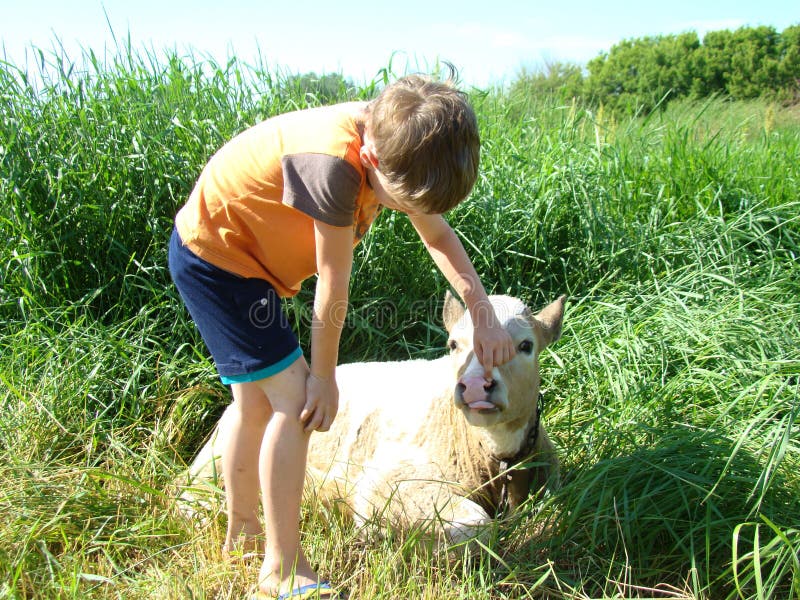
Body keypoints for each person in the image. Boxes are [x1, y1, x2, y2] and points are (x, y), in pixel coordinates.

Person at [168, 70, 515, 600]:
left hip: (245, 258)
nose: (407, 213)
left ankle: (240, 533)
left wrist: (483, 312)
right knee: (295, 403)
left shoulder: (400, 137)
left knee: (254, 403)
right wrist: (324, 379)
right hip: (217, 258)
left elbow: (438, 233)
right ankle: (281, 570)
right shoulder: (334, 168)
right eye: (402, 202)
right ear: (373, 161)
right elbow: (332, 289)